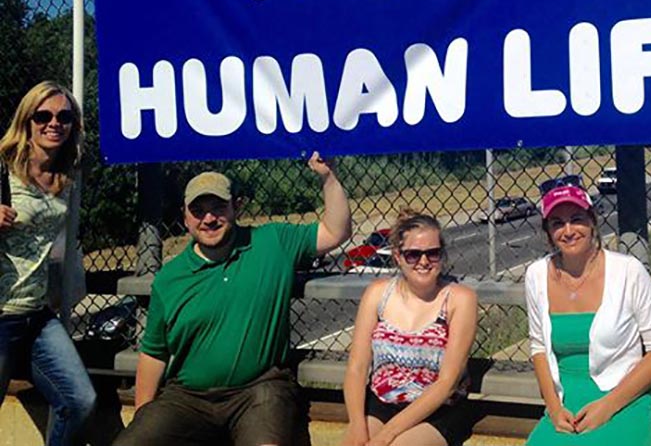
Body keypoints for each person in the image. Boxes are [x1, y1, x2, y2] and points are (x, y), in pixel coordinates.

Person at [113, 154, 351, 446]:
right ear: (185, 216)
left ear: (237, 207)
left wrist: (328, 177)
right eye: (198, 210)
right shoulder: (169, 278)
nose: (209, 218)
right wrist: (144, 416)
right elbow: (154, 352)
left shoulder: (272, 242)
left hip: (259, 389)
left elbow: (335, 231)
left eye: (218, 207)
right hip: (188, 397)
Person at [524, 184, 651, 445]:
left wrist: (608, 406)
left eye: (576, 219)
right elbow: (538, 347)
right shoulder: (536, 275)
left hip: (624, 398)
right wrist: (554, 409)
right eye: (557, 223)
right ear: (548, 231)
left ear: (592, 221)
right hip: (566, 404)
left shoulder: (628, 271)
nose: (568, 231)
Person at [0, 81, 97, 445]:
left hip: (38, 314)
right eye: (43, 115)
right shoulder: (3, 168)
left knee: (80, 400)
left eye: (64, 116)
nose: (53, 123)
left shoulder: (67, 178)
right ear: (27, 120)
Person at [342, 210, 477, 446]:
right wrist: (356, 425)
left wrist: (386, 436)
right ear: (398, 256)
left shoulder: (459, 299)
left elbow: (447, 383)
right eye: (413, 255)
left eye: (432, 254)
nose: (423, 262)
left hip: (438, 408)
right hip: (383, 400)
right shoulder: (378, 294)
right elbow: (357, 367)